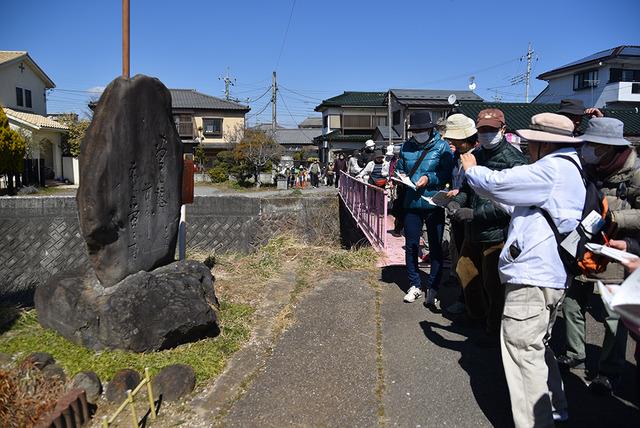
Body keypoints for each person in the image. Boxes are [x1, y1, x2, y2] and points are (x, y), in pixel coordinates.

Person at [460, 113, 585, 427]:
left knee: (522, 353)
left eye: (530, 142)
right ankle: (556, 408)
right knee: (537, 346)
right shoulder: (571, 168)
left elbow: (500, 183)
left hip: (534, 277)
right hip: (551, 277)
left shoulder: (551, 168)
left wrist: (474, 171)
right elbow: (517, 201)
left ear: (544, 143)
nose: (527, 148)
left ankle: (536, 422)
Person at [557, 117, 639, 395]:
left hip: (616, 249)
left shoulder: (635, 173)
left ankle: (610, 371)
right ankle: (574, 353)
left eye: (593, 145)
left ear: (611, 147)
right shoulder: (587, 168)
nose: (587, 149)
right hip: (582, 245)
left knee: (613, 316)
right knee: (571, 303)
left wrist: (617, 217)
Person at [447, 109, 528, 345]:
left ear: (503, 129)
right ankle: (478, 318)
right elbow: (467, 188)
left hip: (497, 234)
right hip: (473, 231)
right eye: (482, 130)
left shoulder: (514, 161)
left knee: (493, 286)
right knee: (465, 271)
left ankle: (494, 331)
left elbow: (514, 204)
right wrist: (456, 202)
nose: (486, 134)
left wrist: (474, 213)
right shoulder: (477, 154)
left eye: (491, 130)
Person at [396, 110, 453, 306]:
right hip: (411, 202)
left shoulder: (442, 146)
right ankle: (414, 284)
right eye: (415, 130)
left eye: (422, 129)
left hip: (433, 202)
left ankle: (433, 287)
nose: (418, 133)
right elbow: (400, 168)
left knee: (436, 246)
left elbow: (447, 173)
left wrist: (429, 178)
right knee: (412, 245)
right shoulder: (406, 147)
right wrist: (401, 176)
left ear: (430, 129)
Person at [440, 113, 478, 315]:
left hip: (473, 215)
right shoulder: (457, 158)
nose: (452, 142)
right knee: (460, 254)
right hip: (457, 213)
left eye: (455, 139)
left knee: (469, 261)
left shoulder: (478, 156)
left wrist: (460, 193)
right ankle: (465, 299)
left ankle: (469, 304)